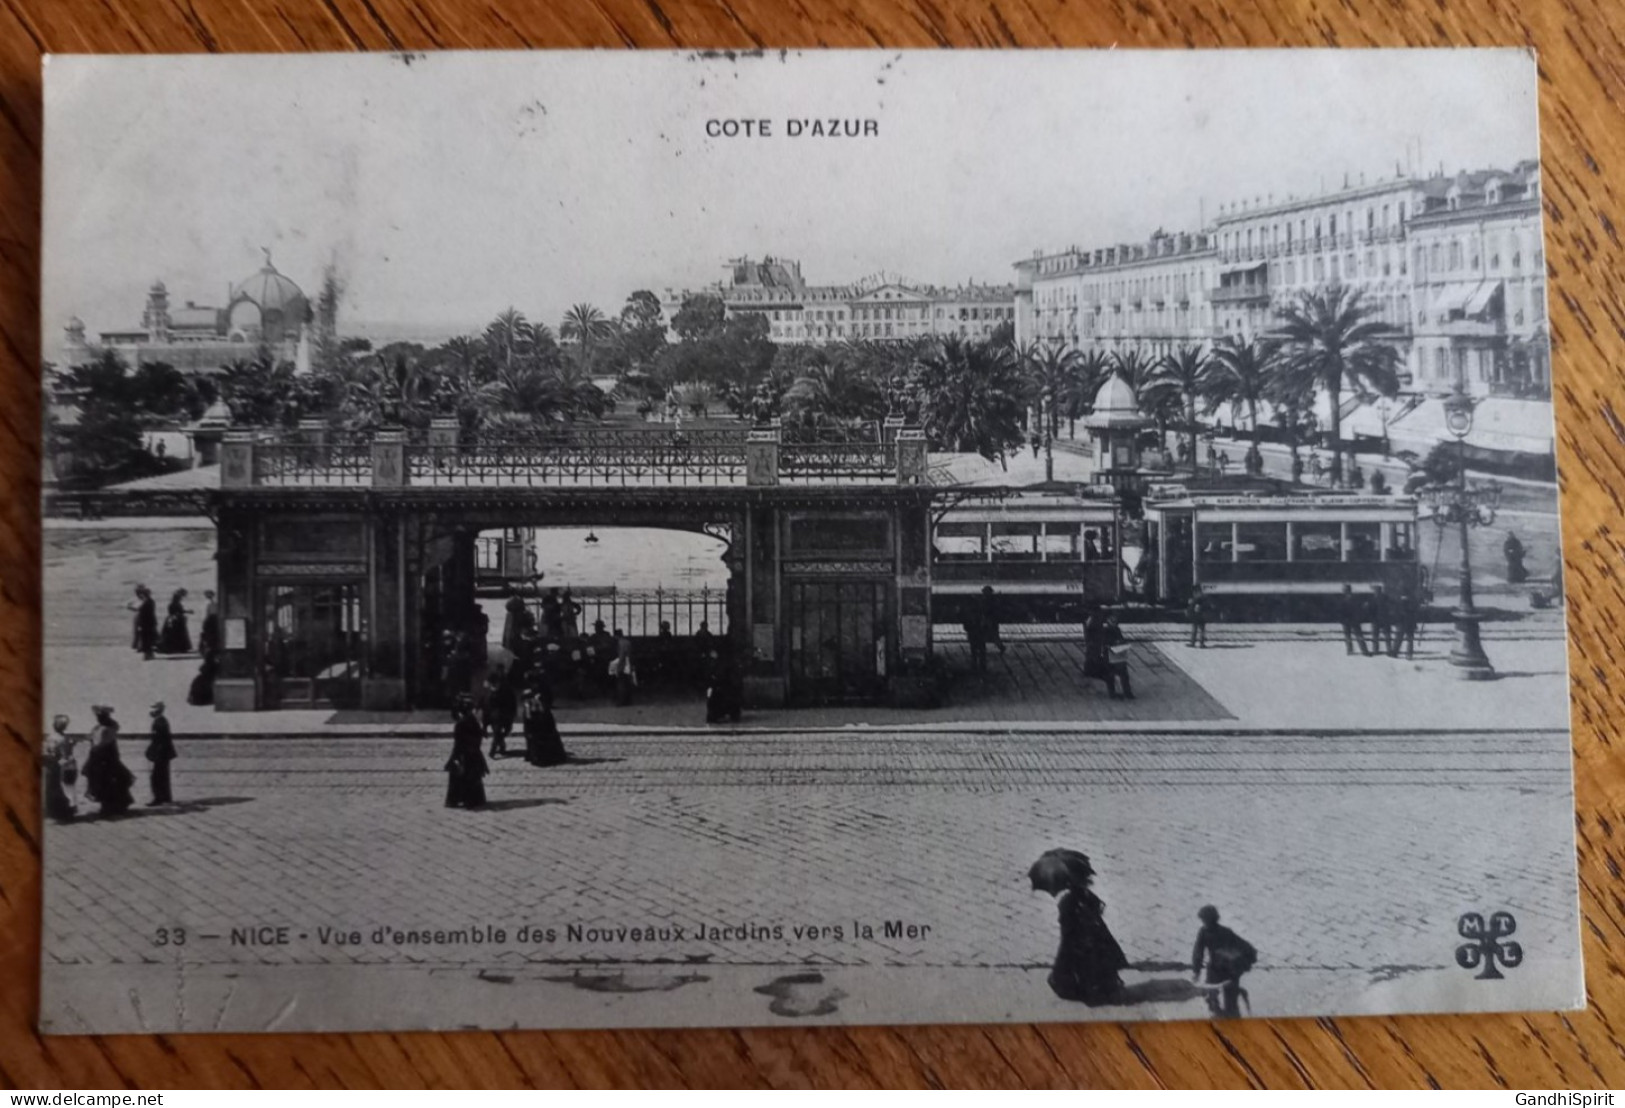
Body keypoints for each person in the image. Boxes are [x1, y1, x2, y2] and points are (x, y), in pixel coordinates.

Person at [1046, 856, 1129, 1006]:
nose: (1085, 882)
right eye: (1082, 879)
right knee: (1085, 965)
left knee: (1095, 963)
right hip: (1079, 940)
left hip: (1091, 936)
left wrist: (1094, 912)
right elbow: (1067, 924)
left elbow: (1097, 907)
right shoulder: (1070, 901)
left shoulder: (1083, 896)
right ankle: (1092, 990)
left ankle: (1101, 988)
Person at [1191, 905, 1257, 1019]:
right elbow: (1246, 947)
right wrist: (1247, 961)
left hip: (1217, 971)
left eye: (1203, 920)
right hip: (1229, 971)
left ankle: (1218, 1016)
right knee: (1230, 1003)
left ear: (1207, 920)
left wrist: (1196, 972)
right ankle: (1231, 1022)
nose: (1203, 922)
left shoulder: (1204, 932)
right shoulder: (1226, 932)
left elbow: (1198, 953)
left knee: (1213, 999)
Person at [82, 706, 135, 818]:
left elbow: (100, 744)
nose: (98, 718)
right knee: (107, 783)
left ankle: (110, 807)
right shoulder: (104, 727)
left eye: (100, 716)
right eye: (98, 716)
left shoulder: (106, 729)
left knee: (107, 783)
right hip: (104, 759)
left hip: (105, 760)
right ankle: (112, 806)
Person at [444, 696, 488, 809]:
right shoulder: (470, 722)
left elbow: (458, 744)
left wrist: (453, 758)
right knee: (470, 779)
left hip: (466, 755)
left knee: (459, 779)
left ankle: (459, 800)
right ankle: (472, 801)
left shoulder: (463, 723)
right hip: (471, 756)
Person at [523, 685, 568, 766]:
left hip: (545, 730)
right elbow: (528, 720)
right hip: (535, 730)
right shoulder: (528, 707)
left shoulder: (542, 707)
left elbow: (547, 720)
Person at [43, 715, 76, 823]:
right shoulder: (66, 738)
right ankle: (64, 810)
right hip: (66, 764)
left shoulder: (52, 738)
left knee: (52, 788)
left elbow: (51, 753)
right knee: (63, 788)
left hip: (55, 765)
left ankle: (55, 813)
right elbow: (68, 752)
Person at [145, 702, 177, 806]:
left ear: (158, 710)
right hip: (163, 754)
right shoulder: (161, 721)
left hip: (161, 754)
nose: (151, 711)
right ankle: (165, 798)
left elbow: (159, 740)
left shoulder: (159, 722)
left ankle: (159, 798)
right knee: (162, 775)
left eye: (153, 709)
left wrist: (153, 753)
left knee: (157, 777)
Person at [484, 665, 517, 758]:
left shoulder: (507, 685)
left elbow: (512, 700)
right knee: (497, 732)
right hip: (496, 714)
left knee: (506, 730)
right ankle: (493, 750)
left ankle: (501, 744)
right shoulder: (492, 690)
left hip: (505, 712)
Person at [1102, 612, 1134, 700]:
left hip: (1118, 654)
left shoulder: (1117, 629)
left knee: (1123, 674)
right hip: (1109, 655)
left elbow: (1121, 638)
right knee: (1111, 675)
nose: (1114, 622)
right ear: (1108, 621)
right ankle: (1113, 693)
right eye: (1112, 620)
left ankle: (1127, 692)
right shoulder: (1105, 631)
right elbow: (1105, 642)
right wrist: (1114, 643)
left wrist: (1122, 642)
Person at [1337, 584, 1370, 656]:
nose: (1343, 591)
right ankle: (1362, 651)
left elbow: (1357, 610)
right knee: (1355, 636)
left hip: (1350, 620)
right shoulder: (1354, 598)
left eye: (1344, 590)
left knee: (1353, 636)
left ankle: (1354, 650)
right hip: (1351, 620)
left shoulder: (1346, 599)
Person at [158, 589, 193, 654]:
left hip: (175, 619)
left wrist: (187, 612)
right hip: (175, 620)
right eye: (180, 597)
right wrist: (187, 612)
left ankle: (174, 648)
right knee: (176, 634)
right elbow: (177, 611)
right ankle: (175, 648)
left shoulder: (174, 603)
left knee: (174, 634)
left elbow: (179, 611)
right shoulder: (175, 604)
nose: (181, 598)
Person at [1392, 584, 1420, 660]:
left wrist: (1396, 622)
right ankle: (1409, 654)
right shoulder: (1412, 602)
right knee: (1410, 640)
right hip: (1410, 623)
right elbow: (1415, 613)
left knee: (1398, 639)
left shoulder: (1398, 603)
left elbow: (1396, 613)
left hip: (1401, 623)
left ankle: (1394, 653)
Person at [129, 586, 157, 660]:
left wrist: (130, 607)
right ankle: (150, 654)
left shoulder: (146, 602)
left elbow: (140, 611)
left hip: (145, 623)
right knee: (149, 639)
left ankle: (148, 655)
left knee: (146, 639)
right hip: (150, 622)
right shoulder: (151, 601)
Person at [611, 629, 636, 706]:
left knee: (621, 683)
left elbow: (621, 655)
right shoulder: (628, 642)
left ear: (616, 636)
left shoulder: (620, 643)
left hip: (623, 663)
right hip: (629, 662)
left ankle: (621, 702)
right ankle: (629, 701)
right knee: (628, 682)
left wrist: (618, 666)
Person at [1367, 583, 1393, 657]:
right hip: (1385, 619)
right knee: (1387, 636)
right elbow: (1390, 607)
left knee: (1375, 636)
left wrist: (1371, 617)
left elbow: (1370, 609)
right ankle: (1389, 650)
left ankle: (1375, 650)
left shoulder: (1373, 599)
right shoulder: (1386, 598)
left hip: (1376, 620)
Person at [197, 590, 221, 658]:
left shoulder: (208, 603)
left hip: (210, 620)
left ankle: (207, 649)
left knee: (208, 636)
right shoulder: (214, 603)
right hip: (213, 620)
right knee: (211, 636)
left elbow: (206, 614)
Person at [1186, 584, 1209, 648]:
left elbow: (1196, 607)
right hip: (1200, 615)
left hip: (1197, 615)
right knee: (1201, 630)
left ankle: (1193, 642)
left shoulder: (1196, 597)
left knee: (1195, 629)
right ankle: (1201, 643)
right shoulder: (1202, 596)